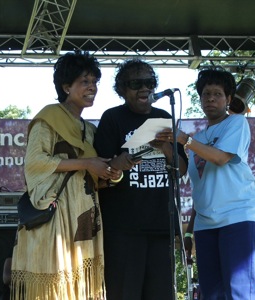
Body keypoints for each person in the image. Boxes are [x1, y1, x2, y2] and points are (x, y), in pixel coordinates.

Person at [10, 51, 121, 299]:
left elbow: (92, 175)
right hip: (56, 215)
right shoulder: (48, 119)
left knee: (81, 287)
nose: (92, 88)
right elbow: (35, 162)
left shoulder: (90, 129)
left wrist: (110, 172)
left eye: (94, 82)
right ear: (66, 86)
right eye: (85, 82)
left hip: (83, 214)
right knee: (54, 287)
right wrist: (87, 162)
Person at [159, 68, 255, 299]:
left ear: (228, 99)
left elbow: (221, 158)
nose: (210, 99)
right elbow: (186, 173)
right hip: (206, 222)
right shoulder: (200, 137)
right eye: (206, 94)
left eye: (217, 94)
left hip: (239, 215)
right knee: (210, 292)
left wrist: (185, 140)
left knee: (239, 290)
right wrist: (163, 145)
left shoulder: (236, 123)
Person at [94, 58, 188, 300]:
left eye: (149, 82)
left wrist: (165, 147)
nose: (144, 88)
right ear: (122, 90)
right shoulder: (112, 118)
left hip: (161, 226)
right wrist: (120, 162)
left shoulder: (164, 115)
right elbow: (99, 169)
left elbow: (182, 169)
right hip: (123, 228)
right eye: (136, 83)